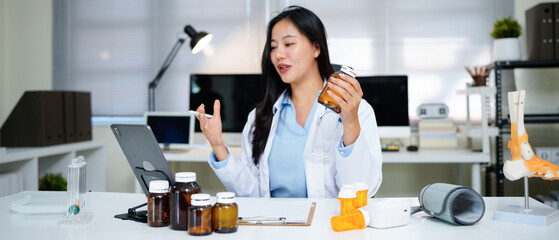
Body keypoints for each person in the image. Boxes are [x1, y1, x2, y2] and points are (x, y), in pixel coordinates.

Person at [195, 6, 382, 198]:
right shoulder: (260, 117)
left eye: (289, 44)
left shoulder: (357, 111)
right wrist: (218, 145)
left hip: (330, 225)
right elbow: (253, 194)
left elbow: (363, 189)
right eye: (273, 47)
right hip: (275, 225)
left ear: (316, 48)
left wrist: (350, 122)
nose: (278, 55)